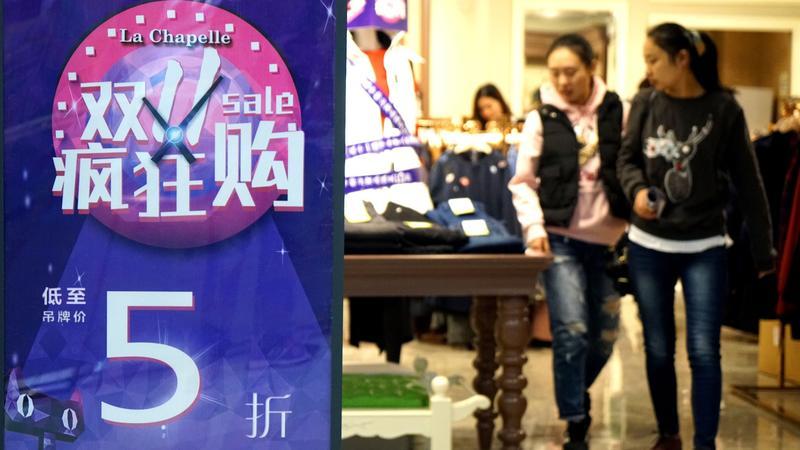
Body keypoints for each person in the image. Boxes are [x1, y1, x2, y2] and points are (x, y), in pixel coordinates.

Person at [617, 23, 775, 450]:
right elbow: (626, 160)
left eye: (653, 59)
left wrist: (764, 252)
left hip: (704, 246)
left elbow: (750, 183)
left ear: (682, 58)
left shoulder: (724, 110)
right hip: (649, 245)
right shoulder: (646, 102)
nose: (648, 69)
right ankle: (668, 434)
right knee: (658, 348)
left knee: (704, 350)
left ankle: (705, 444)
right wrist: (637, 191)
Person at [509, 34, 630, 450]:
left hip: (610, 242)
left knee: (604, 338)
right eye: (555, 73)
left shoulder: (619, 112)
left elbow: (633, 168)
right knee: (572, 330)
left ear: (592, 66)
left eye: (571, 72)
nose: (562, 81)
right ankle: (576, 421)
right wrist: (534, 228)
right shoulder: (541, 118)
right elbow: (523, 182)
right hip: (560, 241)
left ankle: (576, 393)